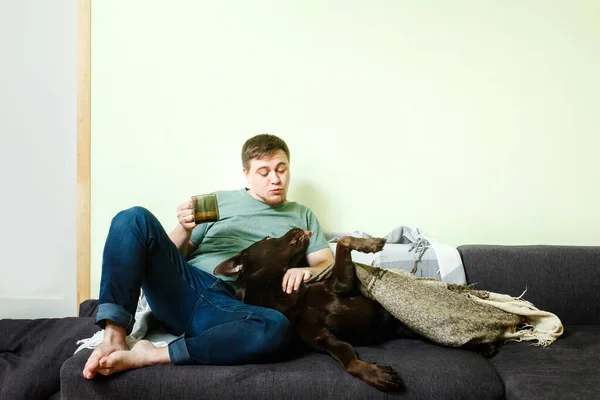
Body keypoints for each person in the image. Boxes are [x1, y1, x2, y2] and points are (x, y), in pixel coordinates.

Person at [83, 134, 333, 379]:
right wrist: (184, 228)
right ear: (246, 174)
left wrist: (307, 271)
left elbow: (326, 262)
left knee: (275, 326)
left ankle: (153, 354)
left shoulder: (302, 215)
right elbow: (164, 255)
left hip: (228, 308)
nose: (275, 179)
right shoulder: (219, 202)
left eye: (281, 169)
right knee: (133, 217)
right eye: (264, 172)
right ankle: (114, 339)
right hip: (185, 288)